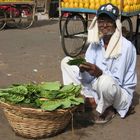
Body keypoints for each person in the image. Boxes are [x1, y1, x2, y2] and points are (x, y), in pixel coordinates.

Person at [61, 3, 137, 124]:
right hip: (96, 85)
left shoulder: (126, 47)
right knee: (66, 62)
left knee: (105, 82)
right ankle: (80, 100)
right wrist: (83, 69)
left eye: (109, 21)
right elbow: (88, 77)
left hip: (118, 92)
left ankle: (105, 106)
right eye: (101, 21)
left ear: (116, 23)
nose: (104, 25)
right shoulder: (96, 43)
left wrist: (99, 73)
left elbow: (116, 82)